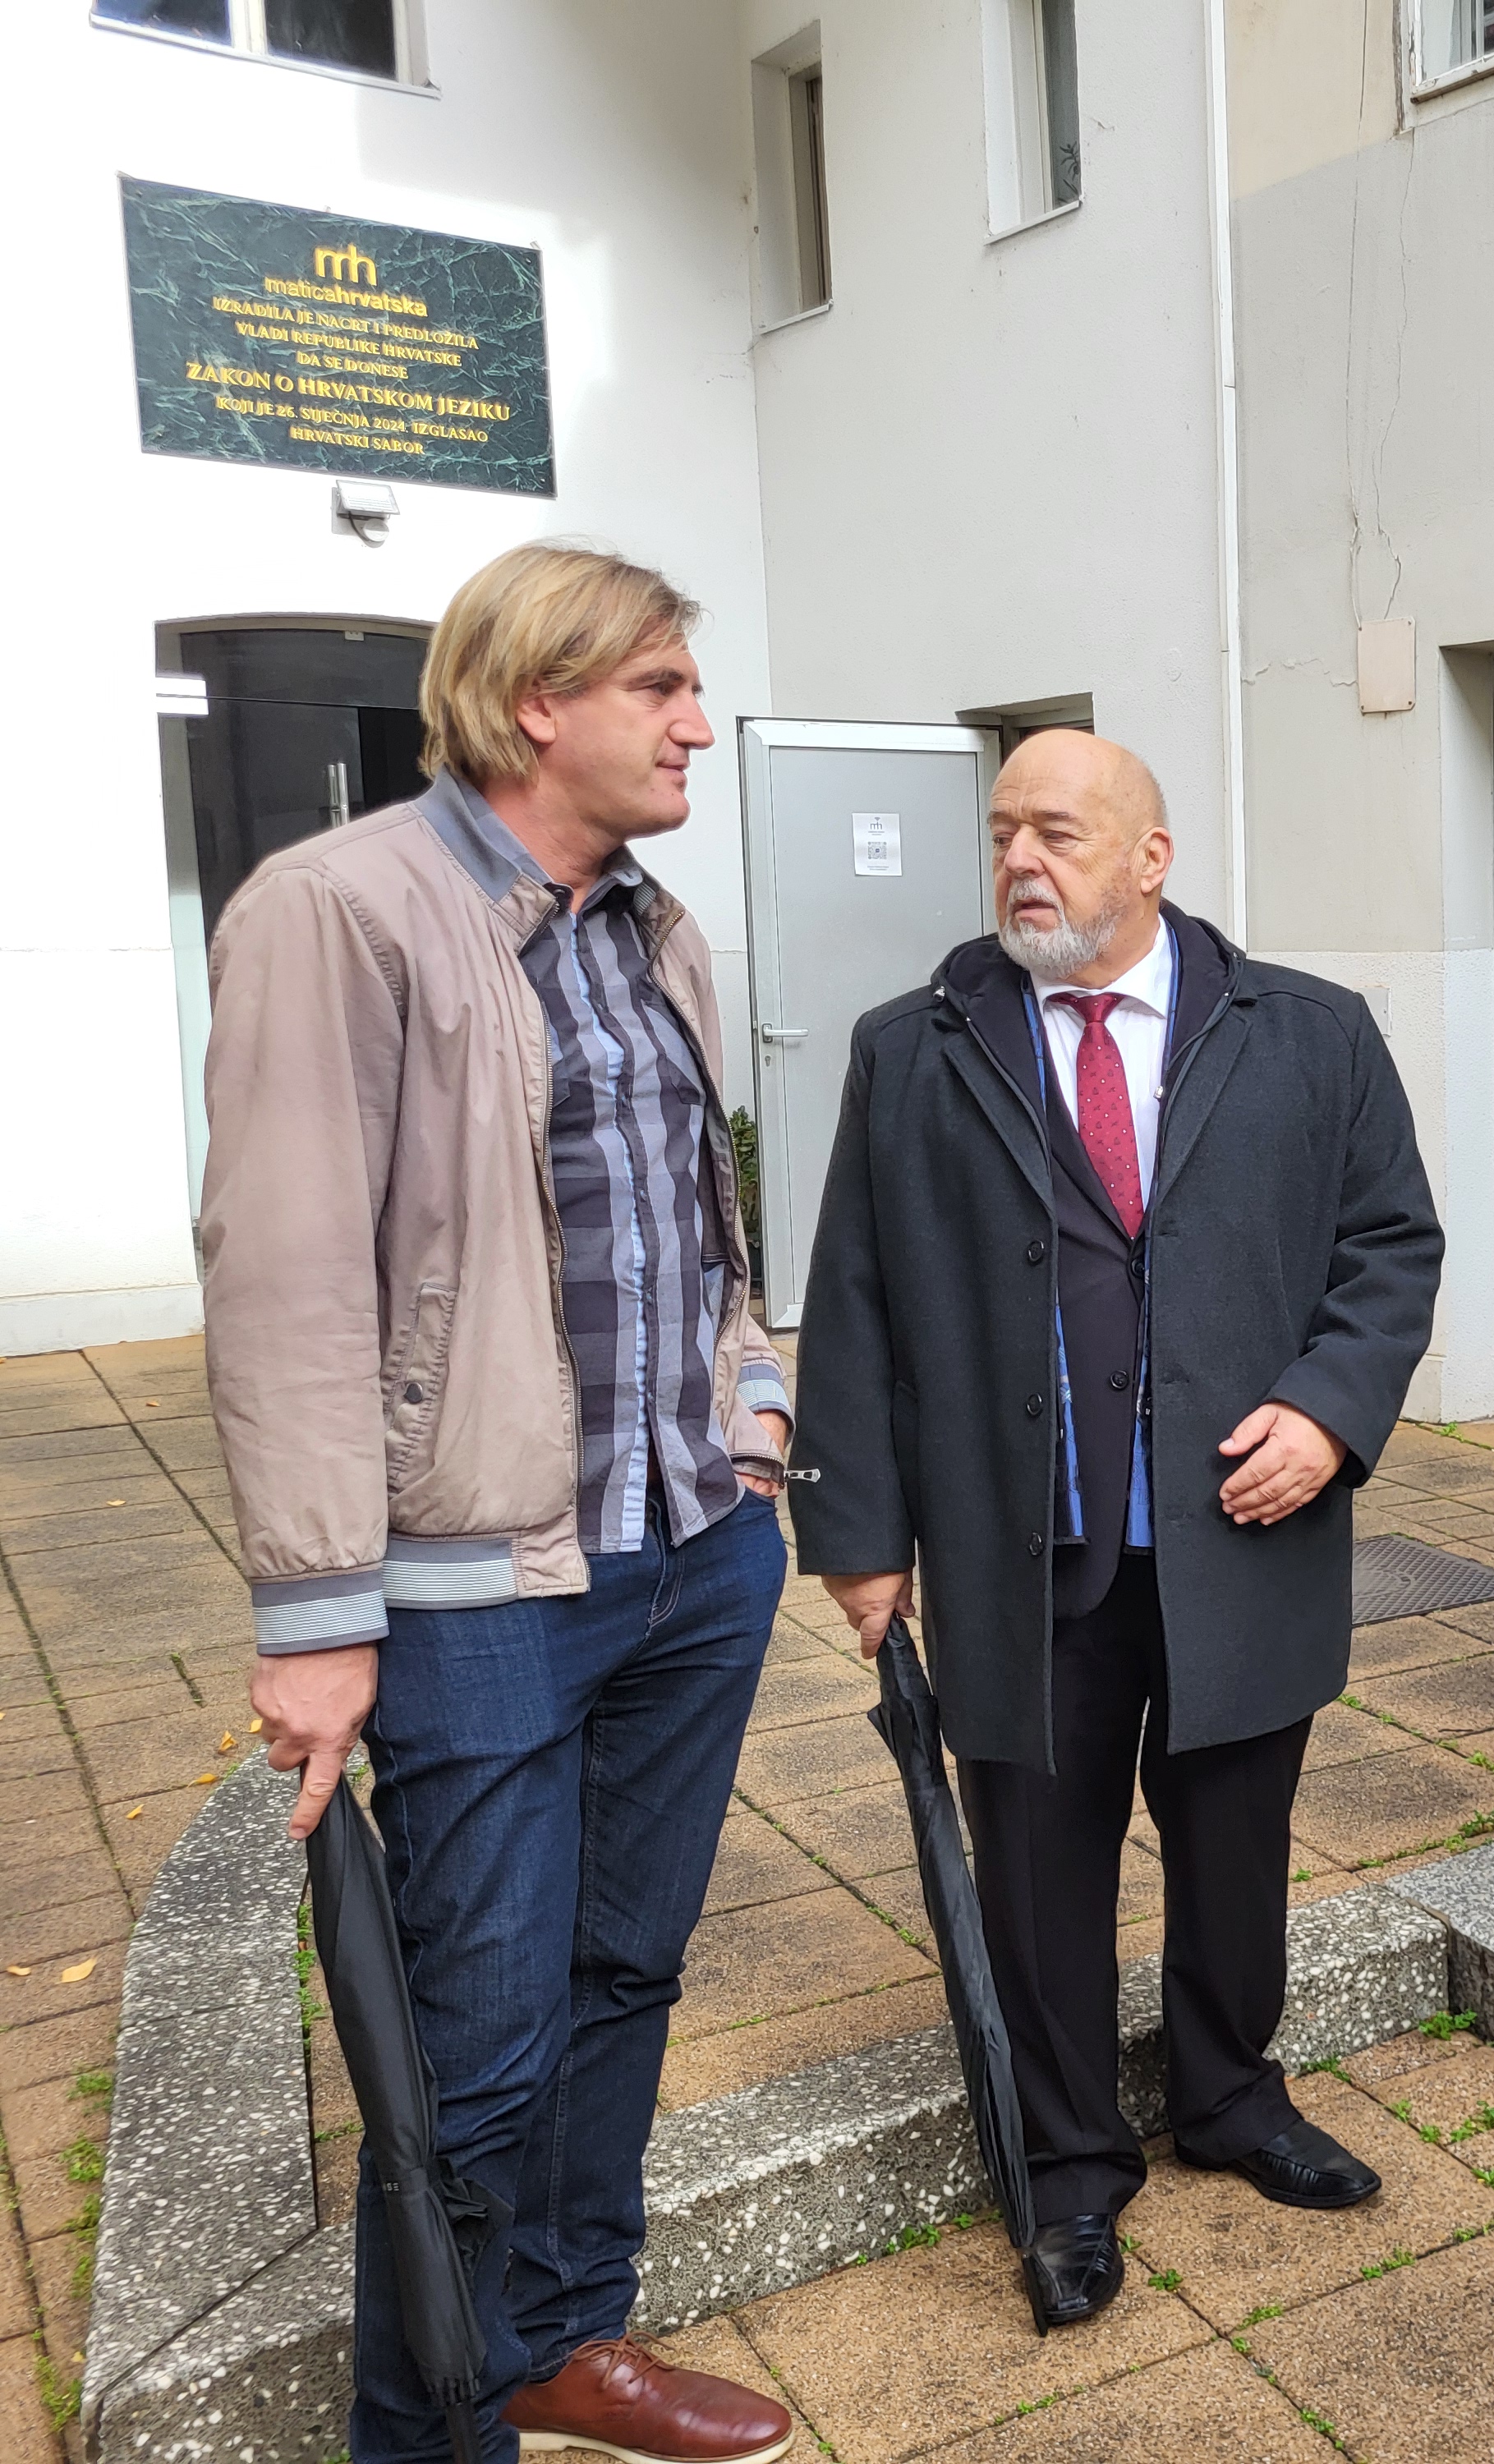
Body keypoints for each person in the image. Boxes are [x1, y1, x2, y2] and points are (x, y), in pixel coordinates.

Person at [207, 544, 798, 2464]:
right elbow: (289, 1277)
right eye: (659, 687)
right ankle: (434, 2431)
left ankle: (560, 2340)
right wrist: (316, 1615)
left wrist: (756, 1420)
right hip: (482, 1600)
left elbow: (700, 1223)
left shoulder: (651, 926)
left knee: (623, 1978)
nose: (695, 722)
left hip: (693, 1555)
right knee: (469, 2064)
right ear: (536, 701)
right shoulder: (341, 910)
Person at [789, 731, 1442, 2333]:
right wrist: (860, 1533)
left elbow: (1389, 1247)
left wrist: (1328, 1411)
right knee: (1036, 1868)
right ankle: (1071, 2163)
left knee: (1236, 1850)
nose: (1021, 860)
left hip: (1243, 1535)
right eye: (1003, 831)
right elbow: (852, 1299)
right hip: (1020, 1551)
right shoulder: (914, 1050)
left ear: (1151, 858)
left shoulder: (1311, 1034)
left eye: (1059, 833)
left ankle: (1229, 2095)